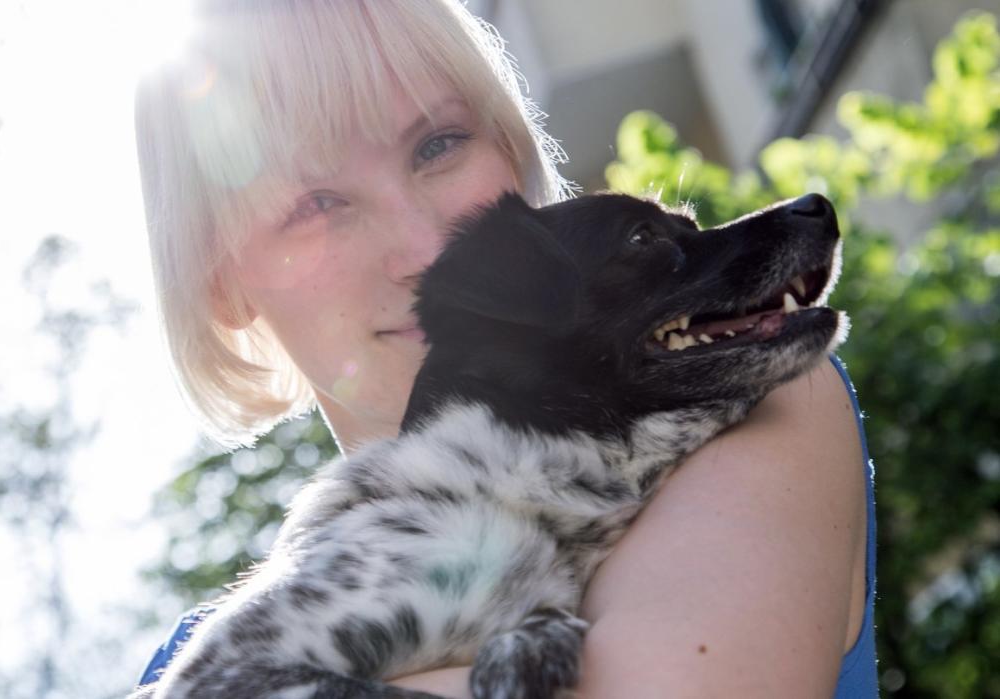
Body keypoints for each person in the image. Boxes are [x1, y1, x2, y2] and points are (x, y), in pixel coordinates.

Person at [132, 1, 878, 696]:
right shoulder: (182, 665)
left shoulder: (745, 412)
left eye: (438, 144)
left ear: (510, 145)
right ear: (223, 286)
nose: (424, 248)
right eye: (317, 205)